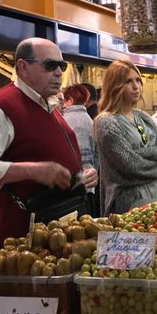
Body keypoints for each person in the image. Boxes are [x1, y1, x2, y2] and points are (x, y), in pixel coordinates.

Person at [0, 38, 98, 251]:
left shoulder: (49, 106)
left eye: (62, 65)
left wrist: (81, 175)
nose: (59, 72)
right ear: (22, 66)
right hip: (20, 243)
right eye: (50, 65)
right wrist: (31, 170)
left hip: (57, 230)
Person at [94, 60, 157, 215]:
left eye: (138, 80)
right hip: (129, 204)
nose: (136, 86)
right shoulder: (106, 122)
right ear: (114, 86)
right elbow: (131, 166)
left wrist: (138, 154)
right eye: (128, 82)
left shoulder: (142, 116)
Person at [62, 84, 99, 215]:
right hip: (90, 182)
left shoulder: (65, 120)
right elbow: (97, 155)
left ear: (70, 100)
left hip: (72, 186)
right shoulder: (90, 120)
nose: (63, 105)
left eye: (65, 101)